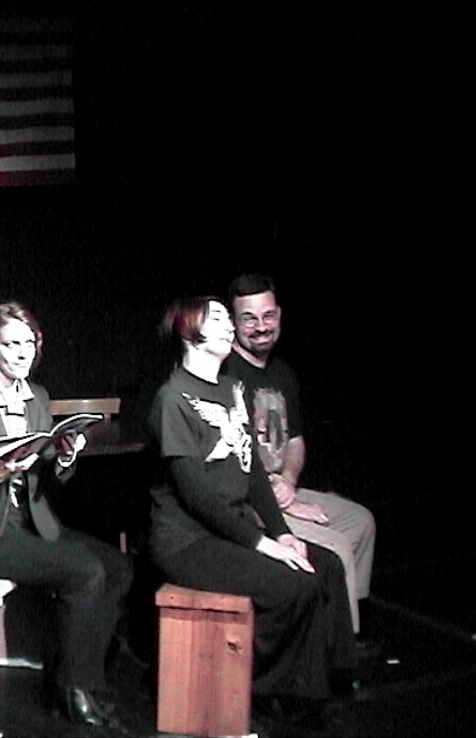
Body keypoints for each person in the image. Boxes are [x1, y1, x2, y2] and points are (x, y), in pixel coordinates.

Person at [148, 296, 354, 716]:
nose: (230, 326)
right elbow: (197, 496)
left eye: (228, 318)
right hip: (188, 542)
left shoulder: (229, 389)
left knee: (328, 567)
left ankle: (331, 680)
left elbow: (254, 472)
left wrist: (282, 533)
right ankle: (269, 687)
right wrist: (263, 545)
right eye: (218, 319)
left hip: (231, 529)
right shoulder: (173, 399)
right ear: (190, 333)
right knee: (293, 585)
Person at [0, 302, 133, 729]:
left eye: (29, 343)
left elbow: (48, 476)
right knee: (85, 573)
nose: (24, 353)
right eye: (11, 344)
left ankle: (82, 678)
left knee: (118, 568)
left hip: (32, 520)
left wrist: (65, 456)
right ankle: (72, 689)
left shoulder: (36, 396)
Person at [224, 274, 376, 635]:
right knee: (337, 548)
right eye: (249, 318)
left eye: (268, 316)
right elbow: (230, 456)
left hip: (282, 490)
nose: (261, 327)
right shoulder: (225, 373)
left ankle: (348, 626)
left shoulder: (283, 373)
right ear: (234, 322)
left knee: (360, 522)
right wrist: (282, 502)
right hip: (249, 499)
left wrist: (289, 482)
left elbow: (294, 441)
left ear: (279, 315)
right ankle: (340, 647)